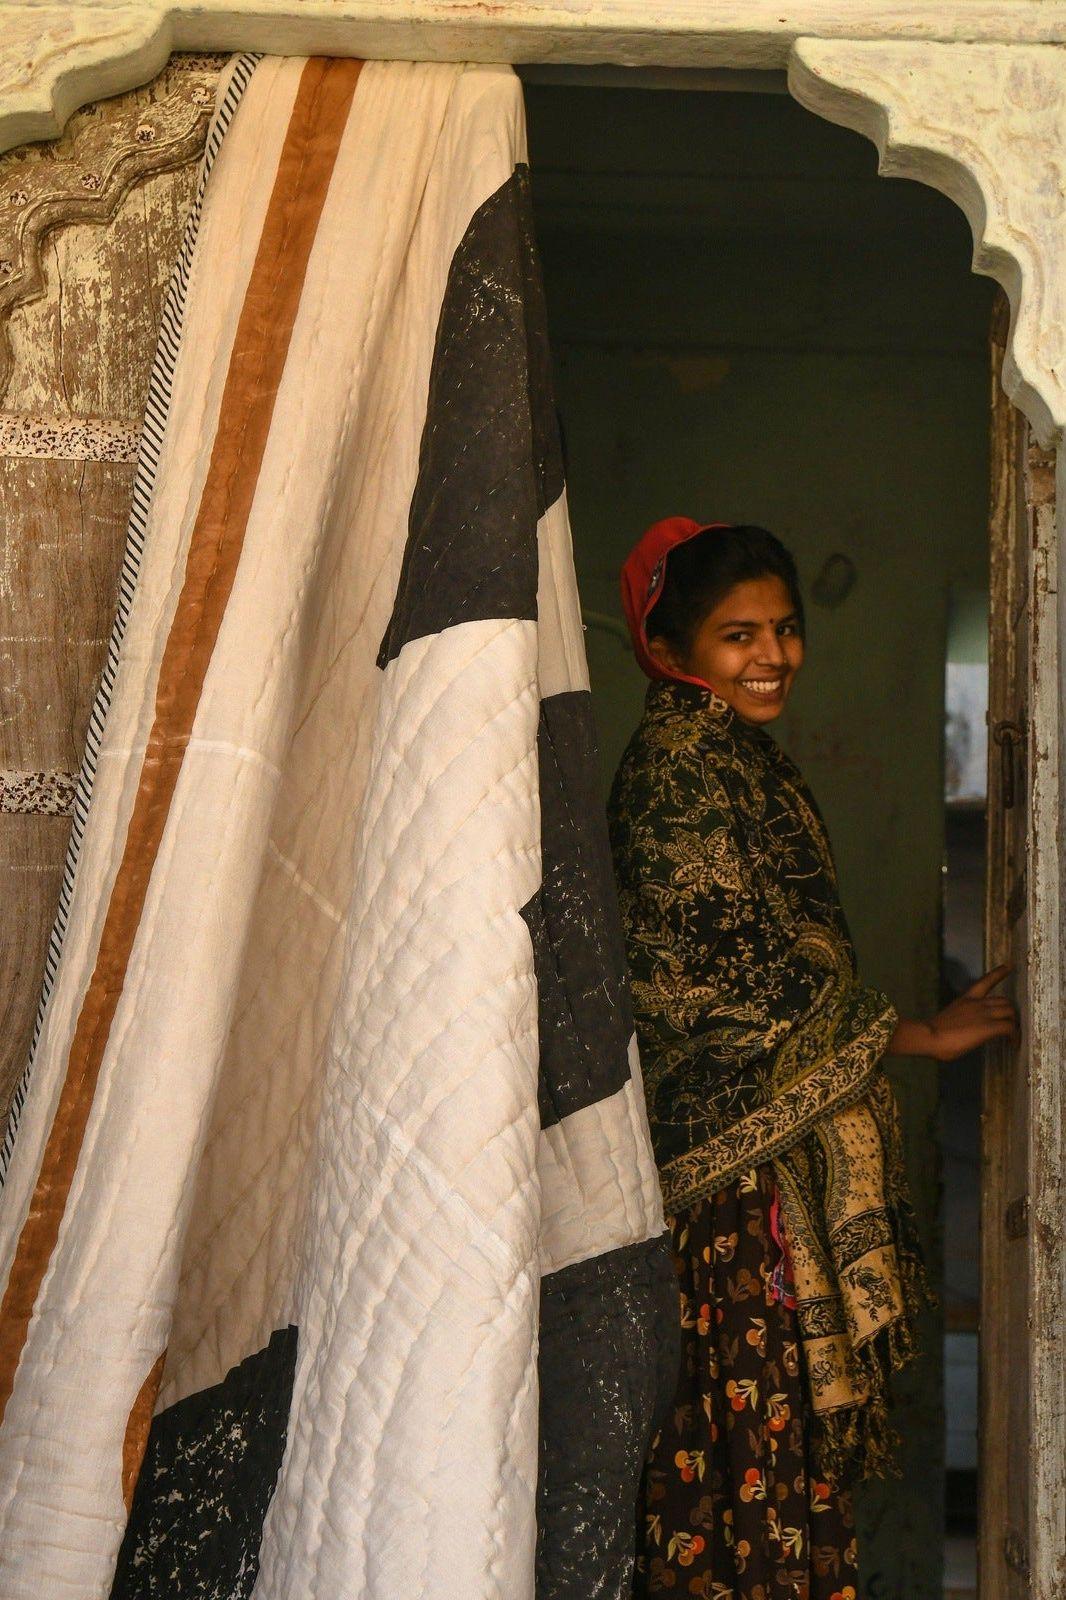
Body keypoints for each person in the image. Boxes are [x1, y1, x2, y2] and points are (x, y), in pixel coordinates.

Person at [607, 517, 1015, 1600]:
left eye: (784, 629)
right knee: (745, 1477)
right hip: (728, 1195)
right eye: (738, 635)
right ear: (671, 647)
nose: (773, 656)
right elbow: (731, 980)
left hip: (755, 1181)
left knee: (772, 1476)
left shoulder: (733, 758)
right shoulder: (679, 772)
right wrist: (917, 1033)